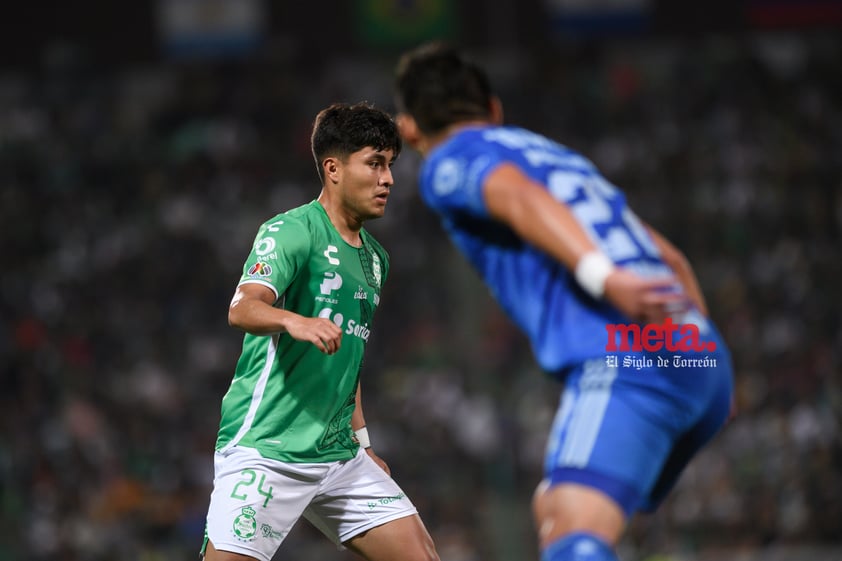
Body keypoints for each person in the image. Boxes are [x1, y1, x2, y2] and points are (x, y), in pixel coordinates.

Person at [394, 43, 734, 561]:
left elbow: (516, 196)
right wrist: (699, 353)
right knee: (556, 507)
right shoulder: (558, 158)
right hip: (697, 354)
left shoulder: (449, 162)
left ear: (410, 128)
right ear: (495, 110)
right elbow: (672, 257)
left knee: (572, 538)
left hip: (626, 357)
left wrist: (602, 277)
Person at [201, 102, 440, 561]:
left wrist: (364, 445)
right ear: (333, 168)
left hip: (338, 457)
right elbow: (243, 307)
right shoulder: (292, 231)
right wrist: (296, 321)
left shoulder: (376, 259)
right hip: (268, 449)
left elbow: (351, 361)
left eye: (390, 165)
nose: (388, 178)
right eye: (374, 163)